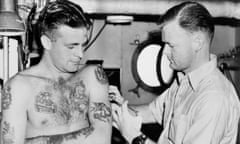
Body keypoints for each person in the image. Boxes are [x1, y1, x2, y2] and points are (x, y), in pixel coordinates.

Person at [110, 1, 240, 144]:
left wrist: (134, 137)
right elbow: (152, 112)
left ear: (197, 42)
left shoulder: (214, 98)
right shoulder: (183, 81)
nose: (165, 52)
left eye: (171, 45)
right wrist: (119, 108)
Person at [1, 1, 112, 144]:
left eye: (82, 45)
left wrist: (37, 141)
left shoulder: (93, 76)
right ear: (46, 42)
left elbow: (102, 139)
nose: (80, 54)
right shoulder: (19, 87)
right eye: (71, 46)